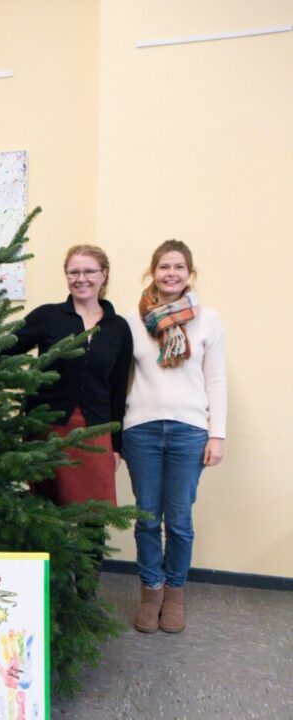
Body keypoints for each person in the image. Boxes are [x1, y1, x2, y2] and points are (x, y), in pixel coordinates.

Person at [123, 239, 226, 634]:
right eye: (164, 267)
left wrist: (217, 435)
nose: (171, 274)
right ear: (153, 272)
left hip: (189, 431)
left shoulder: (209, 320)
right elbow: (119, 378)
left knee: (179, 520)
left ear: (189, 273)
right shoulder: (133, 320)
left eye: (179, 267)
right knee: (147, 518)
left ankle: (175, 596)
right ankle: (151, 594)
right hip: (142, 430)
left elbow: (216, 381)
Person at [6, 245, 133, 508]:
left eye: (89, 271)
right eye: (73, 272)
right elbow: (5, 347)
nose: (81, 278)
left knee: (95, 511)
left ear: (104, 274)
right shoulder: (47, 316)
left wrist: (116, 446)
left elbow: (119, 389)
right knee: (48, 508)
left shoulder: (118, 328)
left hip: (96, 430)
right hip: (48, 427)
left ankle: (91, 553)